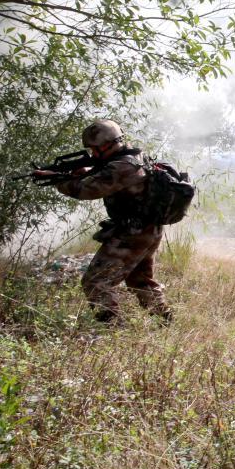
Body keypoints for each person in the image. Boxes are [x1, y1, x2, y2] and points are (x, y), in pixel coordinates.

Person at [39, 120, 172, 323]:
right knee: (140, 280)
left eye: (94, 149)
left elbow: (86, 190)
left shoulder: (123, 166)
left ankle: (112, 327)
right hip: (146, 229)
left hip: (132, 233)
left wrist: (57, 179)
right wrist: (81, 173)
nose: (92, 155)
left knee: (95, 282)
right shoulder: (133, 156)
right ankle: (165, 321)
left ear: (107, 145)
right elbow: (103, 176)